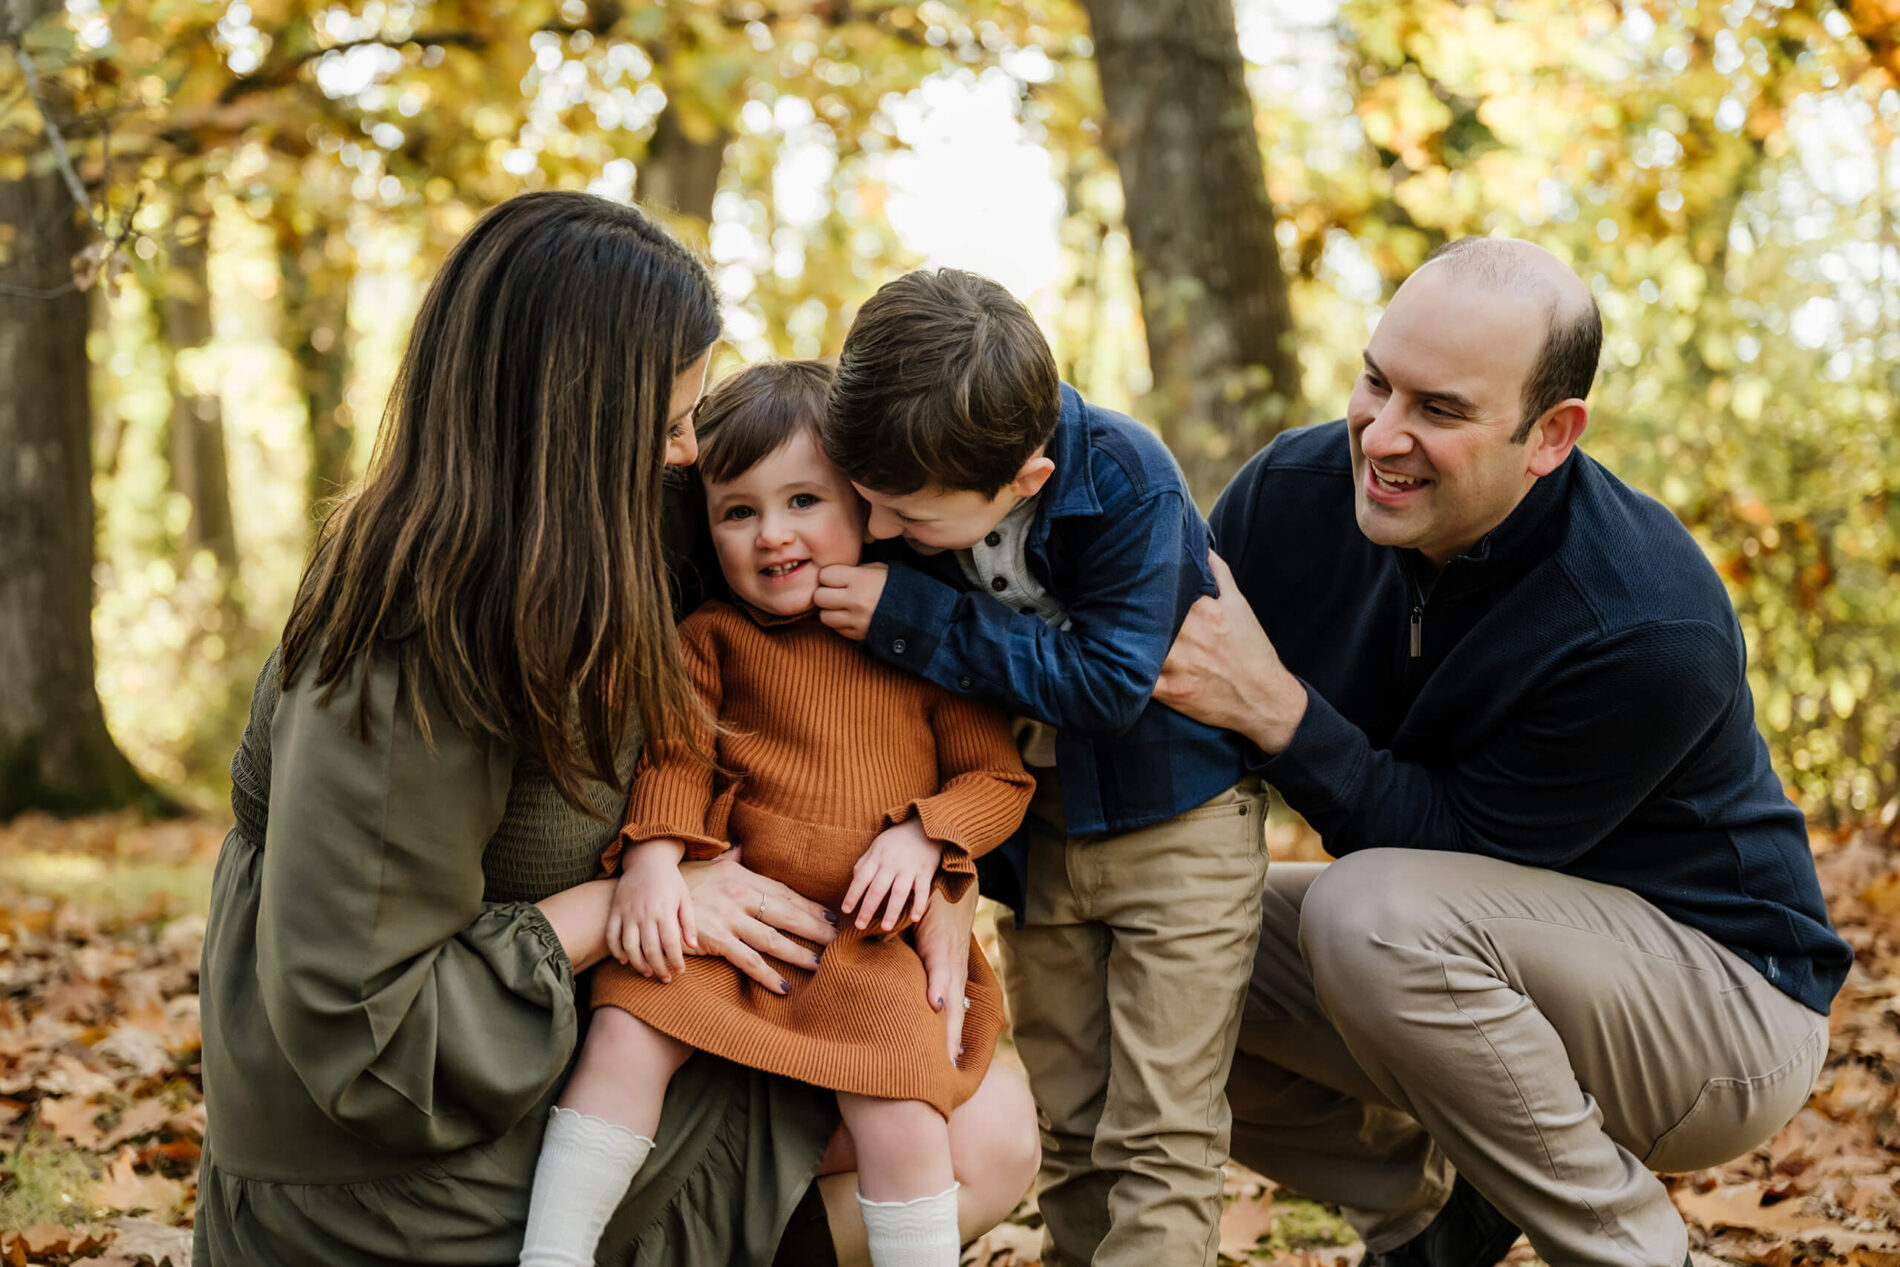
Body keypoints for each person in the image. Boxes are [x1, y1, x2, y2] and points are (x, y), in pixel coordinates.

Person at [193, 192, 1032, 1267]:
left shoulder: (616, 530)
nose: (691, 456)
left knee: (979, 1118)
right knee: (977, 1135)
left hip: (559, 1051)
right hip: (391, 1165)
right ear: (577, 422)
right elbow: (368, 1038)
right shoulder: (403, 646)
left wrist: (942, 867)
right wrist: (641, 896)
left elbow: (886, 523)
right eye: (673, 420)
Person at [1154, 236, 1853, 1267]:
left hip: (1722, 1010)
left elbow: (1462, 848)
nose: (1379, 435)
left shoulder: (1643, 622)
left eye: (1438, 410)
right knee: (1172, 935)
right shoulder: (1291, 496)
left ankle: (1634, 1254)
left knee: (1370, 914)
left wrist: (1279, 712)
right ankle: (1430, 1225)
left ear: (1549, 435)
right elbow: (1173, 719)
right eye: (1375, 382)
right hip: (1470, 959)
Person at [517, 359, 1039, 1267]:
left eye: (805, 501)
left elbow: (996, 778)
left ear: (868, 510)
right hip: (730, 926)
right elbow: (677, 759)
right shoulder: (708, 639)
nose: (774, 535)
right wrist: (651, 864)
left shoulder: (919, 633)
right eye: (739, 510)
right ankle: (553, 1254)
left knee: (904, 1107)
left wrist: (928, 835)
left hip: (866, 940)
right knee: (625, 1029)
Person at [812, 269, 1271, 1267]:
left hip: (1179, 821)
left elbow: (1112, 684)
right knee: (1068, 1107)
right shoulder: (911, 469)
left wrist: (914, 615)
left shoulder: (1126, 481)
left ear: (1025, 480)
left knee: (1161, 1124)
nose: (883, 535)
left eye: (911, 520)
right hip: (1041, 831)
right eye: (870, 506)